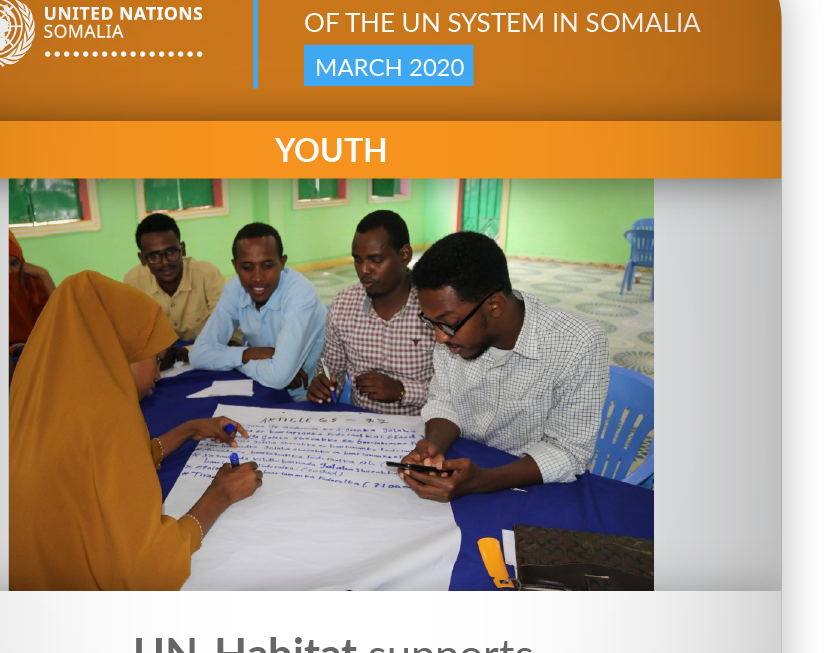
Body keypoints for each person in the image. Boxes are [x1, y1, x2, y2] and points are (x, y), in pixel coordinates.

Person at [10, 271, 262, 590]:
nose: (157, 375)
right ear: (119, 351)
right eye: (156, 359)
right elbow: (146, 569)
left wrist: (189, 429)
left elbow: (96, 467)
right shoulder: (108, 412)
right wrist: (221, 493)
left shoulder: (44, 394)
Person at [398, 231, 608, 500]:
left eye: (448, 323)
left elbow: (568, 452)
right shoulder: (454, 334)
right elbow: (444, 401)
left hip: (534, 488)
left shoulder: (578, 343)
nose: (440, 337)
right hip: (466, 465)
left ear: (494, 305)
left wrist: (482, 481)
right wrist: (433, 447)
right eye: (432, 322)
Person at [307, 210, 434, 415]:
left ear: (404, 255)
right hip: (362, 428)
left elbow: (454, 394)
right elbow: (332, 371)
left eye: (375, 260)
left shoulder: (433, 307)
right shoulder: (343, 305)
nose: (364, 270)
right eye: (358, 260)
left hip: (423, 427)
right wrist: (324, 386)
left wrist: (402, 391)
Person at [189, 223, 326, 401]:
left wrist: (240, 358)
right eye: (247, 267)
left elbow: (278, 377)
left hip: (306, 397)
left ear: (282, 262)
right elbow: (197, 355)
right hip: (259, 387)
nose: (258, 278)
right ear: (235, 266)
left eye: (267, 265)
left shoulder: (300, 293)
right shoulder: (234, 288)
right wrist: (252, 354)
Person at [123, 213, 226, 367]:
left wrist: (181, 354)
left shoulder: (207, 275)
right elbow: (132, 339)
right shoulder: (133, 283)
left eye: (171, 252)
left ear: (182, 249)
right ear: (142, 258)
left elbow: (225, 330)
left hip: (208, 360)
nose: (165, 262)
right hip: (161, 367)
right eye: (154, 256)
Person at [9, 231, 56, 346]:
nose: (9, 271)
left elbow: (63, 320)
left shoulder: (32, 286)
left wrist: (44, 275)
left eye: (14, 263)